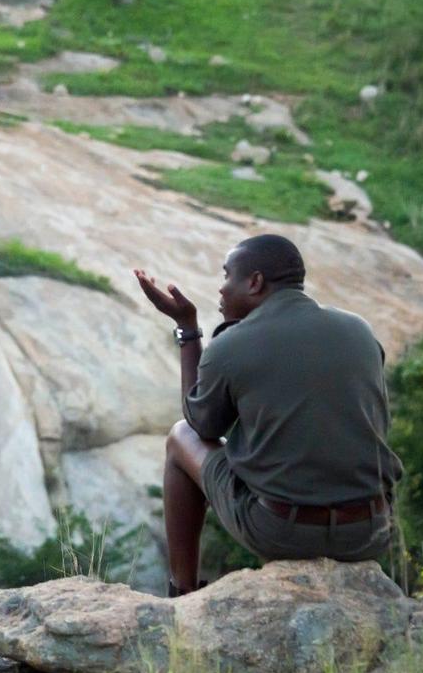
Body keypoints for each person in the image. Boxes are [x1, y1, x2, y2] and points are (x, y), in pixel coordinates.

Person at [134, 234, 402, 597]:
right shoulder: (359, 329)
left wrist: (188, 329)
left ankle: (182, 592)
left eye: (228, 276)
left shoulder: (233, 344)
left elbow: (202, 425)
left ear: (255, 282)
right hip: (371, 530)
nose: (221, 289)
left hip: (284, 533)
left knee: (180, 437)